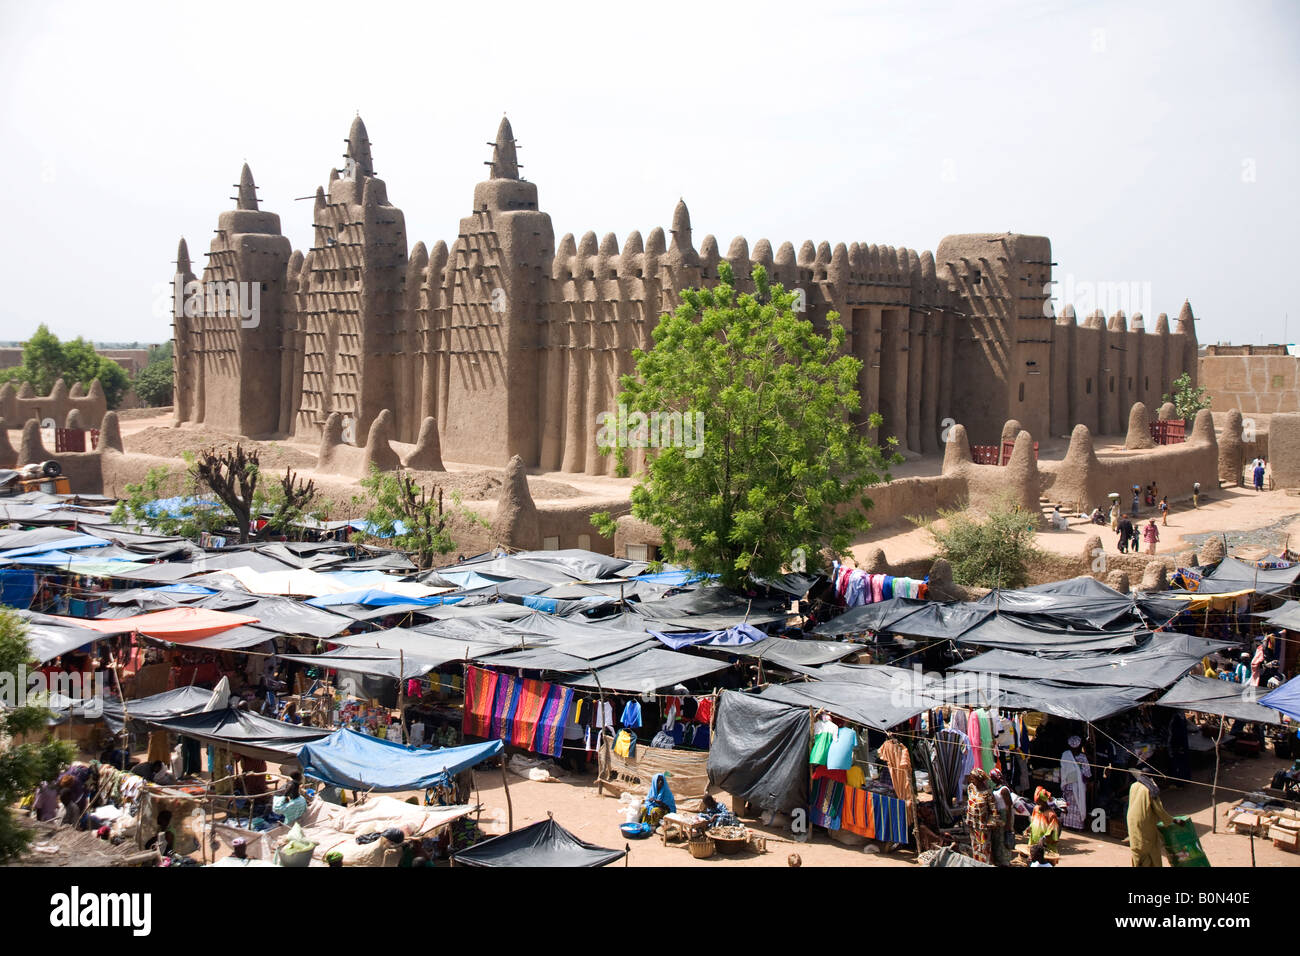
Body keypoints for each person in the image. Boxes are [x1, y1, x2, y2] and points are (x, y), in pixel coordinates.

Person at [1127, 771, 1182, 867]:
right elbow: (1159, 810)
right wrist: (1173, 820)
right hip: (1145, 821)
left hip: (1132, 820)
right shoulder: (1151, 789)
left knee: (1137, 846)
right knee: (1150, 847)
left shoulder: (1134, 785)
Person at [965, 769, 999, 864]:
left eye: (973, 779)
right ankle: (976, 864)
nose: (972, 781)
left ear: (979, 780)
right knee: (975, 845)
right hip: (973, 823)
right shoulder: (971, 788)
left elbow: (994, 811)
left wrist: (991, 823)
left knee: (984, 847)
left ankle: (985, 864)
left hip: (983, 826)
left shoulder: (987, 793)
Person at [1059, 736, 1091, 830]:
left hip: (1076, 784)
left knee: (1072, 805)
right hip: (1072, 784)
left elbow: (1063, 770)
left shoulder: (1068, 755)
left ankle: (1072, 825)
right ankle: (1073, 825)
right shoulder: (1068, 755)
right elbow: (1087, 772)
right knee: (1073, 805)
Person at [989, 768, 1016, 866]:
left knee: (1004, 838)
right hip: (999, 816)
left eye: (992, 777)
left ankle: (1005, 862)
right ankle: (999, 861)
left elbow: (1009, 806)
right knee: (998, 839)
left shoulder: (1004, 790)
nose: (991, 779)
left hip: (1005, 815)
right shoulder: (996, 788)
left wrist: (1008, 824)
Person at [1028, 785, 1060, 853]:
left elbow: (1052, 830)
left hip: (1045, 845)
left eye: (1039, 802)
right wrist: (1029, 828)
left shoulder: (1051, 815)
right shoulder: (1036, 809)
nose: (1038, 805)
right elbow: (1033, 821)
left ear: (1044, 802)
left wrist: (1043, 839)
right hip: (1034, 841)